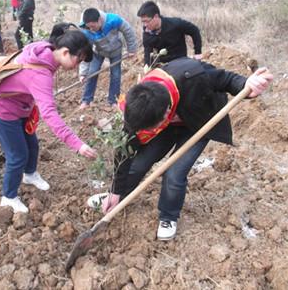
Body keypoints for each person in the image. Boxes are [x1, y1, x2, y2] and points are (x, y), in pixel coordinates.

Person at [89, 57, 273, 240]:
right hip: (168, 126)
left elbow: (227, 80)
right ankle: (119, 198)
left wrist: (248, 85)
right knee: (139, 163)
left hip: (198, 123)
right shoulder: (137, 108)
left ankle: (168, 216)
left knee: (174, 173)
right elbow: (124, 152)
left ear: (167, 113)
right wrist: (115, 189)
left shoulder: (192, 75)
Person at [0, 23, 97, 213]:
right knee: (17, 155)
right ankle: (8, 197)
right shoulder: (40, 73)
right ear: (65, 52)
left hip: (21, 107)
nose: (78, 66)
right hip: (3, 111)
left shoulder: (45, 50)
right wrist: (78, 144)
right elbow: (50, 114)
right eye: (78, 60)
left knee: (32, 145)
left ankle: (29, 175)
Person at [78, 7, 137, 109]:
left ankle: (113, 101)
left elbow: (128, 31)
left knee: (116, 75)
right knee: (92, 73)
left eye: (93, 26)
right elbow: (86, 52)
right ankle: (86, 100)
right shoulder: (86, 30)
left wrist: (131, 49)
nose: (91, 29)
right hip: (98, 52)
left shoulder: (113, 20)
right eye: (89, 27)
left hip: (115, 50)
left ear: (99, 20)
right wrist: (83, 73)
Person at [137, 1, 202, 66]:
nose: (145, 25)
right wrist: (147, 69)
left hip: (181, 61)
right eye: (143, 22)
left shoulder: (175, 24)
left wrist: (197, 53)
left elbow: (194, 30)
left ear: (156, 17)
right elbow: (148, 55)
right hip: (163, 65)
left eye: (147, 21)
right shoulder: (147, 33)